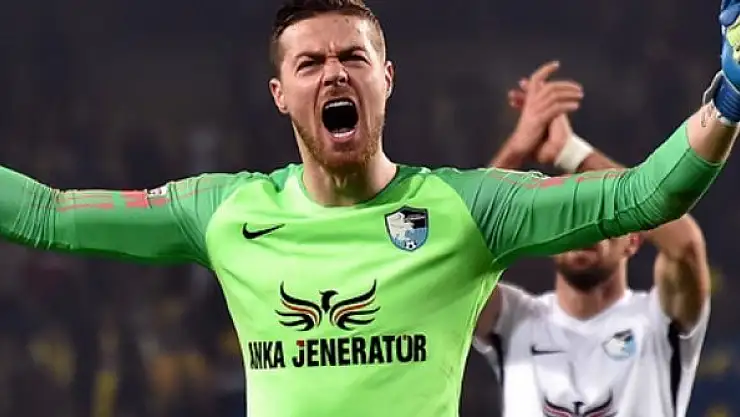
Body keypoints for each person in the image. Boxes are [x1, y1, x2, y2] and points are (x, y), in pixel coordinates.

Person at [0, 0, 739, 416]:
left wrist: (729, 97)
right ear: (280, 94)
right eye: (310, 63)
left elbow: (648, 195)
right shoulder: (224, 212)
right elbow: (47, 213)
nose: (333, 73)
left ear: (386, 78)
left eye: (352, 57)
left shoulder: (468, 208)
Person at [474, 62, 712, 417]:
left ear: (634, 240)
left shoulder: (656, 322)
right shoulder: (514, 320)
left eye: (599, 221)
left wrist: (571, 153)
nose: (583, 231)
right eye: (568, 220)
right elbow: (460, 250)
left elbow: (686, 247)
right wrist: (517, 146)